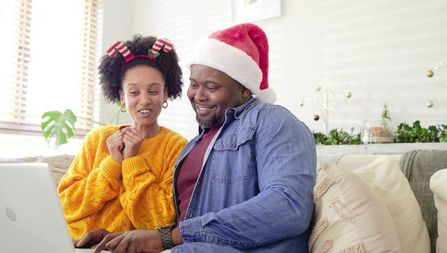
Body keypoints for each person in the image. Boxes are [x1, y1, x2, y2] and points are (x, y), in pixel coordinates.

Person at [86, 23, 316, 253]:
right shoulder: (198, 142)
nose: (198, 96)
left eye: (211, 87)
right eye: (194, 85)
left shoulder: (271, 120)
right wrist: (123, 239)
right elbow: (177, 223)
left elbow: (289, 206)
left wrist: (171, 237)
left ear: (245, 89)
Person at [57, 35, 188, 244]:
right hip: (73, 243)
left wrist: (131, 162)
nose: (144, 100)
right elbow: (65, 205)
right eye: (134, 92)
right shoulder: (98, 138)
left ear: (165, 94)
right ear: (122, 97)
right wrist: (113, 163)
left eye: (153, 91)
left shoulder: (176, 147)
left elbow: (159, 221)